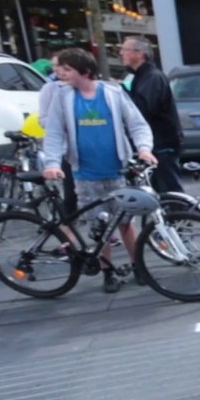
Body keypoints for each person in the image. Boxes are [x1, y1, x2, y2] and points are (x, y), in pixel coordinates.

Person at [40, 47, 156, 294]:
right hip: (85, 174)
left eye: (68, 69)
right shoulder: (63, 97)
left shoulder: (113, 93)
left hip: (117, 170)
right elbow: (53, 133)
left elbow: (137, 125)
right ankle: (108, 271)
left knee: (126, 222)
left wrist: (144, 149)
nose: (63, 74)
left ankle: (138, 267)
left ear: (84, 71)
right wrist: (51, 163)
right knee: (99, 227)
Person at [119, 37, 185, 194]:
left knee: (169, 190)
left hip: (162, 144)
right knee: (157, 189)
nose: (121, 53)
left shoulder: (152, 77)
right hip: (156, 143)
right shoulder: (141, 76)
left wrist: (121, 92)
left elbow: (142, 109)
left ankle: (180, 217)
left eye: (125, 50)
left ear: (139, 53)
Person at [37, 55, 78, 218]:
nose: (58, 69)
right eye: (56, 66)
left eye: (63, 66)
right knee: (71, 192)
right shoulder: (51, 89)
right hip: (65, 147)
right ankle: (69, 229)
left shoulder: (81, 87)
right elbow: (44, 119)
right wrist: (64, 123)